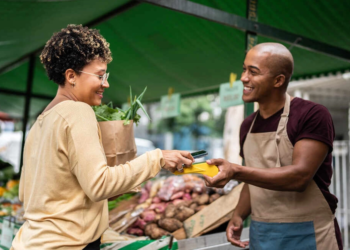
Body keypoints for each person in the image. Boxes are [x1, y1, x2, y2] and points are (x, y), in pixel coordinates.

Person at [11, 24, 194, 250]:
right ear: (71, 76)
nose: (105, 83)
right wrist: (157, 159)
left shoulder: (41, 122)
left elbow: (25, 192)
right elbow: (98, 185)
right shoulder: (77, 111)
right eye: (100, 75)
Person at [204, 43, 342, 250]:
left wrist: (236, 171)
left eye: (253, 72)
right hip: (263, 233)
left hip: (309, 234)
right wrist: (239, 214)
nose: (243, 78)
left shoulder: (311, 115)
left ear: (278, 80)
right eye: (244, 69)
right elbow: (252, 179)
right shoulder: (247, 125)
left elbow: (300, 177)